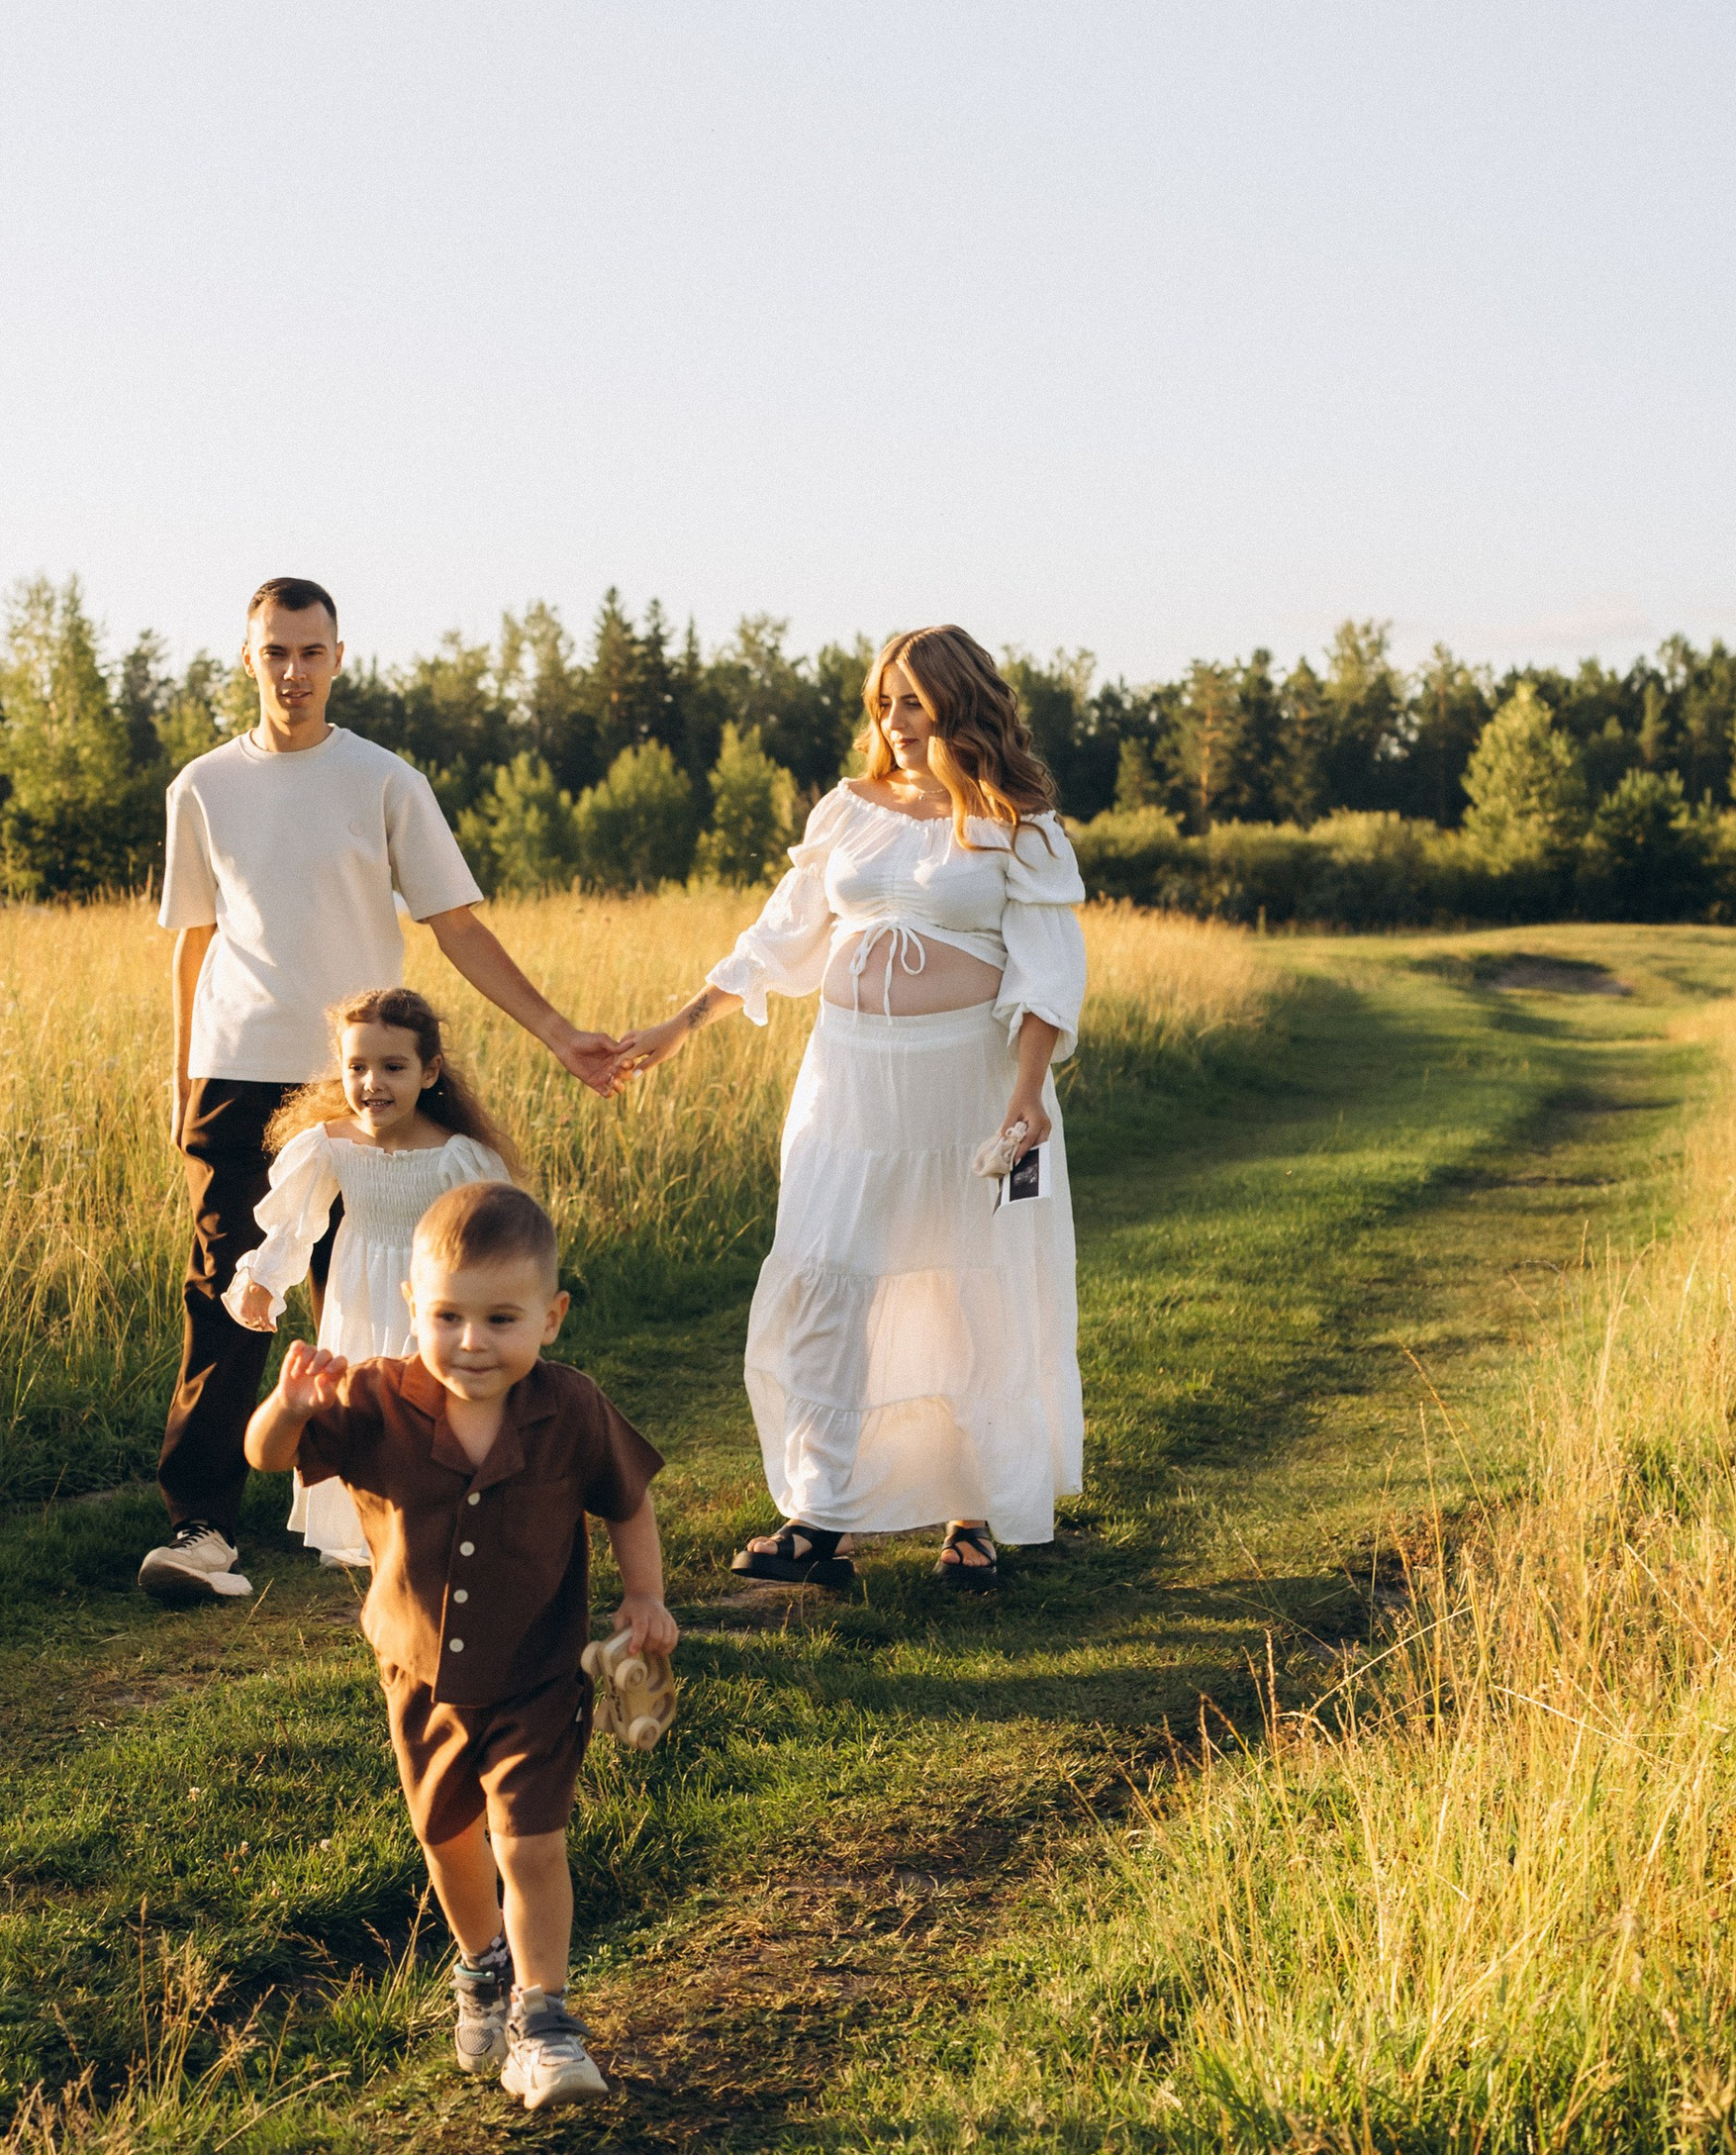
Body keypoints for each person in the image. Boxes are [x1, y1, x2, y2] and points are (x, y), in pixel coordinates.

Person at [143, 576, 625, 1609]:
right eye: (274, 652)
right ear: (247, 659)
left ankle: (411, 1499)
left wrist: (556, 1034)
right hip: (236, 1071)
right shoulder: (202, 788)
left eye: (311, 652)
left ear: (339, 657)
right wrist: (180, 1077)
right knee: (232, 1288)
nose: (293, 672)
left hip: (361, 1080)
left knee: (380, 1290)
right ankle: (200, 1528)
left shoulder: (384, 781)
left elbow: (455, 924)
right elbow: (191, 945)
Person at [618, 624, 1086, 1590]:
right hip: (845, 1083)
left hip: (964, 1085)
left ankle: (970, 1514)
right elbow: (781, 936)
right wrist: (681, 1022)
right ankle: (819, 1515)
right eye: (883, 701)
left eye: (913, 700)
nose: (894, 720)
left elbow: (1046, 968)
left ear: (959, 703)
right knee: (831, 1275)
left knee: (966, 1287)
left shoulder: (1015, 821)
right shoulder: (848, 808)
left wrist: (1028, 1095)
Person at [247, 1178, 675, 2109]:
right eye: (447, 1316)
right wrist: (287, 1406)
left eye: (501, 1318)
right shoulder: (371, 1401)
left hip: (537, 1673)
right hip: (420, 1677)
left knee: (531, 1842)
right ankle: (481, 1968)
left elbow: (629, 1499)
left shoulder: (570, 1410)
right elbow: (266, 1457)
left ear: (551, 1318)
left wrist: (645, 1594)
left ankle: (547, 2017)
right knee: (446, 1836)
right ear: (412, 1308)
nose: (472, 1342)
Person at [221, 984, 516, 1570]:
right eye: (356, 1067)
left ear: (429, 1072)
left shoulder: (455, 1155)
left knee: (426, 1407)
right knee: (358, 1407)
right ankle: (365, 1528)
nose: (372, 1083)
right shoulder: (330, 1146)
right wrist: (265, 1279)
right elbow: (294, 1224)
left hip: (431, 1296)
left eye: (393, 1067)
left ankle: (441, 1520)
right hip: (357, 1292)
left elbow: (495, 1241)